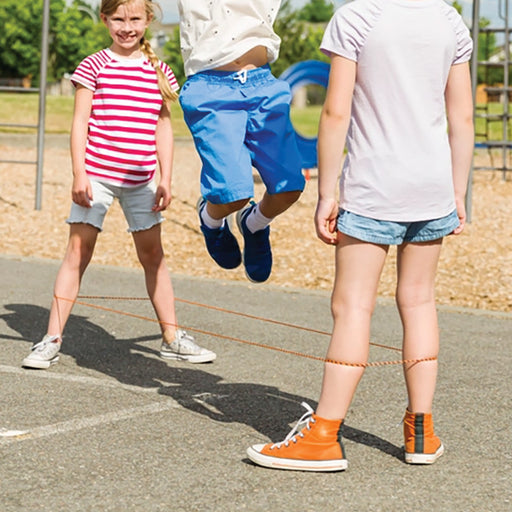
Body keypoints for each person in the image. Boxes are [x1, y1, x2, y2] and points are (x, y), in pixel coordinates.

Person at [247, 0, 474, 471]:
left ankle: (324, 436)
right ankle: (422, 432)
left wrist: (327, 192)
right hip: (431, 188)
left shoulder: (356, 17)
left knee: (352, 307)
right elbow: (463, 119)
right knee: (419, 301)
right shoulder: (450, 20)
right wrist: (457, 192)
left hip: (374, 186)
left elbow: (335, 113)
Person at [22, 0, 216, 370]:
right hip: (97, 176)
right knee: (77, 255)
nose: (127, 27)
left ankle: (172, 338)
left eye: (135, 19)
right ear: (105, 19)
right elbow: (80, 122)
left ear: (148, 20)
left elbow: (163, 127)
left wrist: (166, 177)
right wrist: (80, 173)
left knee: (153, 258)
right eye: (118, 19)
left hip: (142, 182)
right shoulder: (94, 65)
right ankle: (51, 339)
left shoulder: (159, 70)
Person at [177, 1, 306, 283]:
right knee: (232, 193)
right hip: (210, 87)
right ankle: (210, 220)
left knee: (290, 187)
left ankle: (255, 225)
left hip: (263, 84)